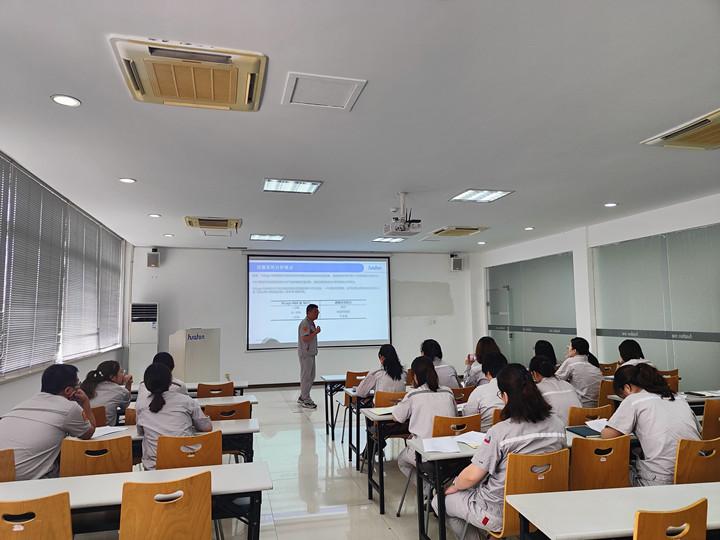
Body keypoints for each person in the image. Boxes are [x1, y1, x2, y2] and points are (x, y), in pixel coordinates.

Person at [437, 364, 566, 540]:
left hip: (500, 512)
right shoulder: (558, 425)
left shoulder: (500, 432)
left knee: (439, 502)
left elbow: (471, 477)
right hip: (542, 509)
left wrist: (455, 485)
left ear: (505, 396)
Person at [601, 363, 700, 486]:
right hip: (695, 474)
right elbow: (697, 430)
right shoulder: (678, 398)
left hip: (662, 479)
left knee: (614, 469)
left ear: (627, 387)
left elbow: (608, 436)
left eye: (622, 396)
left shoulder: (634, 400)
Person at [0, 364, 95, 480]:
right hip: (25, 483)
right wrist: (85, 402)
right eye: (78, 385)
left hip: (4, 477)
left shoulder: (23, 404)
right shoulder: (70, 407)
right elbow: (88, 433)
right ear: (69, 391)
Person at [136, 363, 212, 470]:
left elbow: (141, 432)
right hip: (188, 461)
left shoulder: (141, 405)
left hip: (156, 466)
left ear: (146, 384)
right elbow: (207, 427)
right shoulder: (186, 401)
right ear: (170, 382)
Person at [392, 355, 457, 480]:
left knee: (402, 461)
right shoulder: (448, 392)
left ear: (415, 376)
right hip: (451, 450)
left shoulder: (413, 394)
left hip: (424, 451)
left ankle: (426, 488)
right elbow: (455, 417)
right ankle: (434, 487)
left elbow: (397, 417)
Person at [528, 355, 581, 425]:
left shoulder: (538, 389)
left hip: (558, 428)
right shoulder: (568, 385)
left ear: (534, 373)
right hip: (578, 426)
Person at [462, 352, 508, 431]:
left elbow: (468, 417)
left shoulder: (479, 391)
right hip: (511, 433)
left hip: (484, 434)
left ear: (488, 373)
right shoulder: (515, 388)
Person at [81, 360, 132, 426]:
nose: (123, 374)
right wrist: (128, 384)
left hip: (84, 429)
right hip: (107, 429)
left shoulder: (89, 386)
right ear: (112, 377)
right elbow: (125, 406)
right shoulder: (120, 391)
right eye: (121, 372)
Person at [555, 337, 602, 407]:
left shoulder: (570, 362)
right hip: (597, 407)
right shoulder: (594, 367)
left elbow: (555, 380)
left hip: (579, 407)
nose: (567, 348)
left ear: (574, 351)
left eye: (569, 346)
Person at [297, 303, 321, 409]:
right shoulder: (305, 323)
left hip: (310, 353)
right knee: (306, 377)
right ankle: (305, 399)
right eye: (315, 311)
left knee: (310, 376)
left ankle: (303, 396)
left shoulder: (311, 323)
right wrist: (315, 332)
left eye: (318, 311)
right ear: (309, 312)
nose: (318, 313)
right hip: (306, 354)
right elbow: (305, 338)